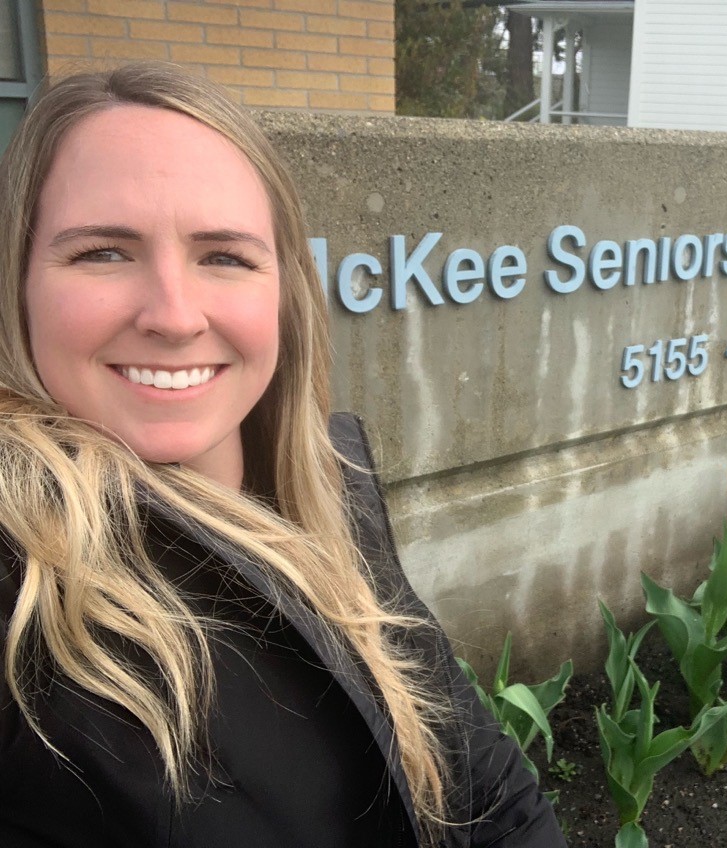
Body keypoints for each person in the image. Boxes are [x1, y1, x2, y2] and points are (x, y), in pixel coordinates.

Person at [0, 63, 565, 847]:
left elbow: (486, 787)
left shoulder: (334, 494)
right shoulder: (22, 599)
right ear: (17, 287)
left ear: (285, 294)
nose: (172, 314)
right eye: (102, 251)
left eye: (224, 256)